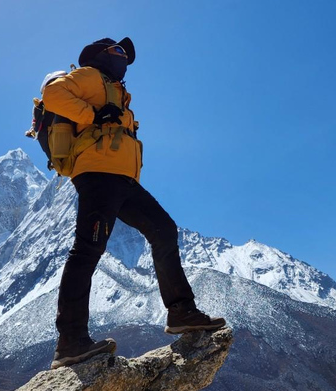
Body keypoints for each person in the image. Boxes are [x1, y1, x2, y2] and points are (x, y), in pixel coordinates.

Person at [42, 37, 226, 369]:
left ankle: (181, 311)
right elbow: (53, 94)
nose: (124, 57)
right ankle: (69, 340)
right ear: (100, 55)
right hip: (97, 175)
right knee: (88, 250)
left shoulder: (115, 90)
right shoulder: (88, 76)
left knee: (164, 230)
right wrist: (94, 113)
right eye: (118, 51)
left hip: (123, 181)